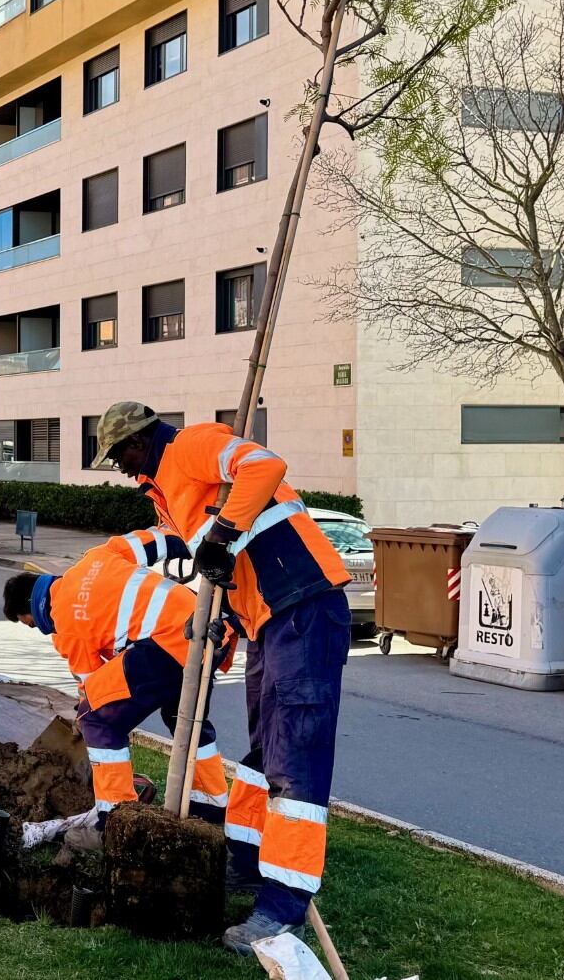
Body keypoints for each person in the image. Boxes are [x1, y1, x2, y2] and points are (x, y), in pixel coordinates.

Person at [90, 402, 352, 954]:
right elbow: (230, 564)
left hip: (303, 606)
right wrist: (225, 615)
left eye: (119, 457)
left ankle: (283, 906)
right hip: (268, 619)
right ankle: (247, 862)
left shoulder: (189, 447)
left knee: (295, 763)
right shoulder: (168, 488)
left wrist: (222, 534)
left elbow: (265, 465)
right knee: (261, 758)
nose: (122, 470)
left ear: (138, 442)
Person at [0, 531, 233, 838]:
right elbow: (155, 541)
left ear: (31, 610)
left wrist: (84, 715)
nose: (33, 628)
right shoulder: (95, 558)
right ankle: (211, 804)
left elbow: (94, 686)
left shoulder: (65, 624)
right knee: (183, 718)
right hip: (208, 627)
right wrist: (193, 547)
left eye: (27, 622)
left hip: (171, 644)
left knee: (98, 718)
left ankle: (116, 819)